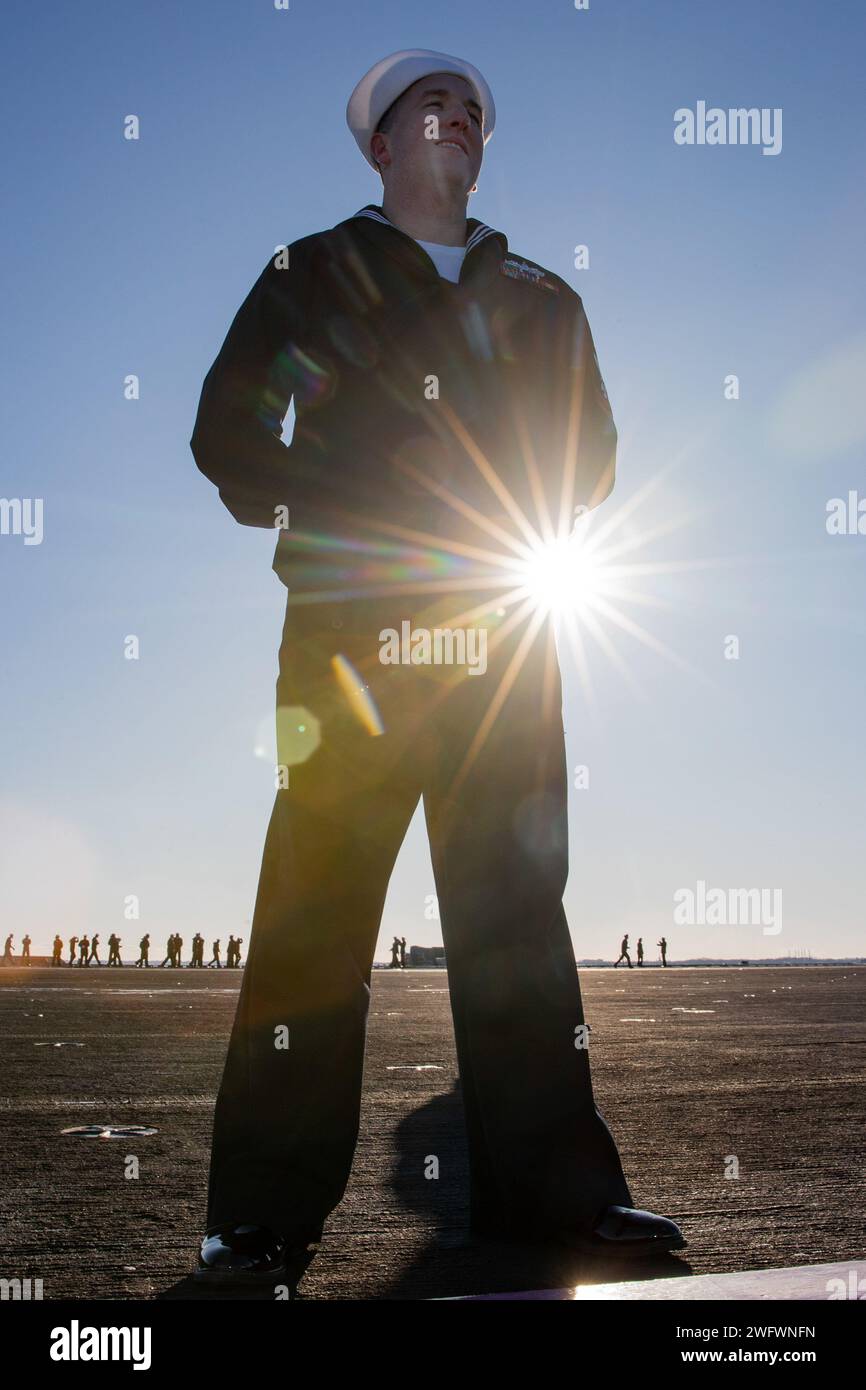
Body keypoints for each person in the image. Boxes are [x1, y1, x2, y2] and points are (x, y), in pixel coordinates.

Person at [191, 48, 685, 1283]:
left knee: (516, 913)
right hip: (351, 633)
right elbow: (230, 423)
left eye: (472, 108)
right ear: (379, 145)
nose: (458, 115)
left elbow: (592, 452)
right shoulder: (315, 270)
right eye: (430, 103)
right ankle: (258, 1221)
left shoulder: (539, 297)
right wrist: (319, 508)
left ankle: (554, 1199)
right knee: (315, 911)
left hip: (502, 626)